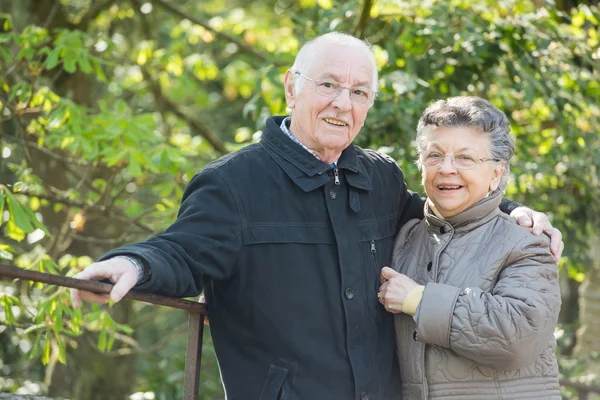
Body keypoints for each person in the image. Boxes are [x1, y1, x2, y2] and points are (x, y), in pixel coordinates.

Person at [70, 34, 562, 400]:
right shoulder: (234, 183)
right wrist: (133, 264)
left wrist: (517, 212)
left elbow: (446, 210)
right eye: (328, 85)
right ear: (291, 87)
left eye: (359, 92)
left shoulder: (380, 177)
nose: (341, 104)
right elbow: (182, 248)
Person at [378, 96, 561, 399]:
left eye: (465, 158)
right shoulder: (405, 237)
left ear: (496, 173)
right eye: (434, 155)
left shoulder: (527, 243)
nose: (447, 168)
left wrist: (417, 300)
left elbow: (518, 335)